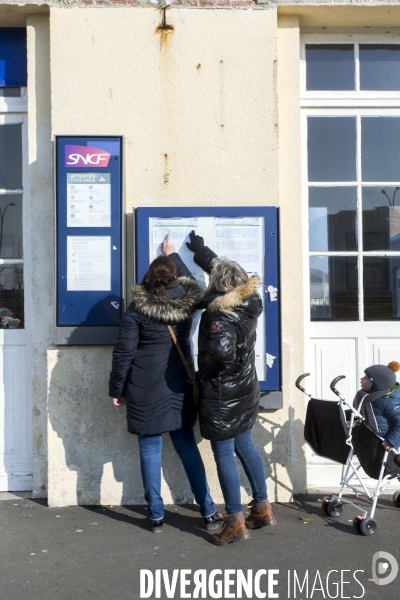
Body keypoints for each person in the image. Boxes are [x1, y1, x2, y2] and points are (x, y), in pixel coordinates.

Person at [109, 235, 221, 533]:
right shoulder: (187, 302)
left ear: (148, 278)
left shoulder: (136, 309)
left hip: (144, 387)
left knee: (149, 450)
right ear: (174, 277)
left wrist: (117, 389)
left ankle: (156, 515)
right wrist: (175, 256)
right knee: (186, 447)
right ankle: (209, 511)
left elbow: (124, 352)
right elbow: (196, 289)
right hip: (178, 385)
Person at [185, 231, 276, 546]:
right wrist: (202, 252)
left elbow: (221, 353)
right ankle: (262, 507)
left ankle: (235, 520)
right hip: (245, 387)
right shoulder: (248, 298)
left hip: (223, 392)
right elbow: (224, 271)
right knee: (246, 446)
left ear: (220, 286)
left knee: (224, 451)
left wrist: (204, 374)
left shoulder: (221, 312)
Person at [354, 361, 400, 452]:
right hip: (370, 439)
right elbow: (359, 412)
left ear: (375, 384)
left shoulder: (390, 402)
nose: (361, 379)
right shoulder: (371, 396)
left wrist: (390, 441)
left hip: (383, 445)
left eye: (366, 378)